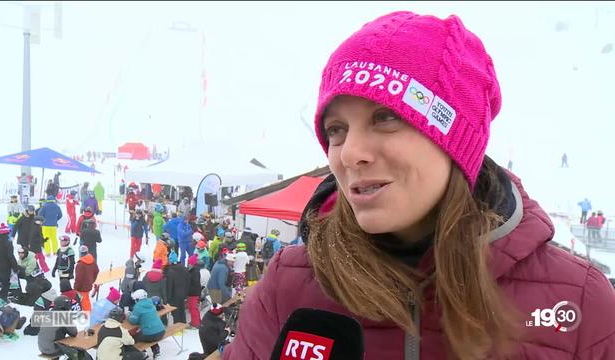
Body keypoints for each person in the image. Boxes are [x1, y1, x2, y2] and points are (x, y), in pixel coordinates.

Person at [223, 11, 615, 359]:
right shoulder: (285, 286)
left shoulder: (579, 300)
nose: (348, 154)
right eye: (336, 129)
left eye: (385, 117)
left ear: (455, 143)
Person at [128, 289, 166, 359]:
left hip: (151, 334)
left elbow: (133, 321)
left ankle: (143, 353)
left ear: (137, 299)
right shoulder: (151, 302)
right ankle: (156, 351)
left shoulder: (138, 307)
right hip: (161, 331)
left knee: (133, 339)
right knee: (149, 331)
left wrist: (129, 315)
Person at [0, 224, 19, 301]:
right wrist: (15, 267)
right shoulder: (8, 243)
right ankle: (3, 299)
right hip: (6, 266)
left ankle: (0, 298)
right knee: (6, 284)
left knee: (0, 283)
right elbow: (10, 256)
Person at [165, 251, 190, 324]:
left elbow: (170, 285)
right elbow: (188, 282)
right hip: (183, 293)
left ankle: (177, 326)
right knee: (182, 310)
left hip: (174, 295)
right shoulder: (184, 268)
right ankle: (183, 323)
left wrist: (168, 297)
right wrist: (186, 293)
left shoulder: (170, 271)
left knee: (176, 312)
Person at [74, 245, 99, 311]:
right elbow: (96, 271)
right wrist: (92, 280)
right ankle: (88, 312)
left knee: (84, 302)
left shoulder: (80, 264)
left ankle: (87, 315)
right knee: (86, 299)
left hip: (81, 287)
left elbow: (78, 278)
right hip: (88, 285)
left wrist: (75, 288)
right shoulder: (92, 260)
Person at [186, 255, 202, 329]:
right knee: (193, 308)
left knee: (193, 309)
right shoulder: (194, 270)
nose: (187, 264)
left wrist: (188, 289)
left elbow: (194, 284)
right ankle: (196, 321)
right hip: (193, 293)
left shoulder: (194, 272)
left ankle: (195, 324)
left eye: (189, 263)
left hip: (193, 293)